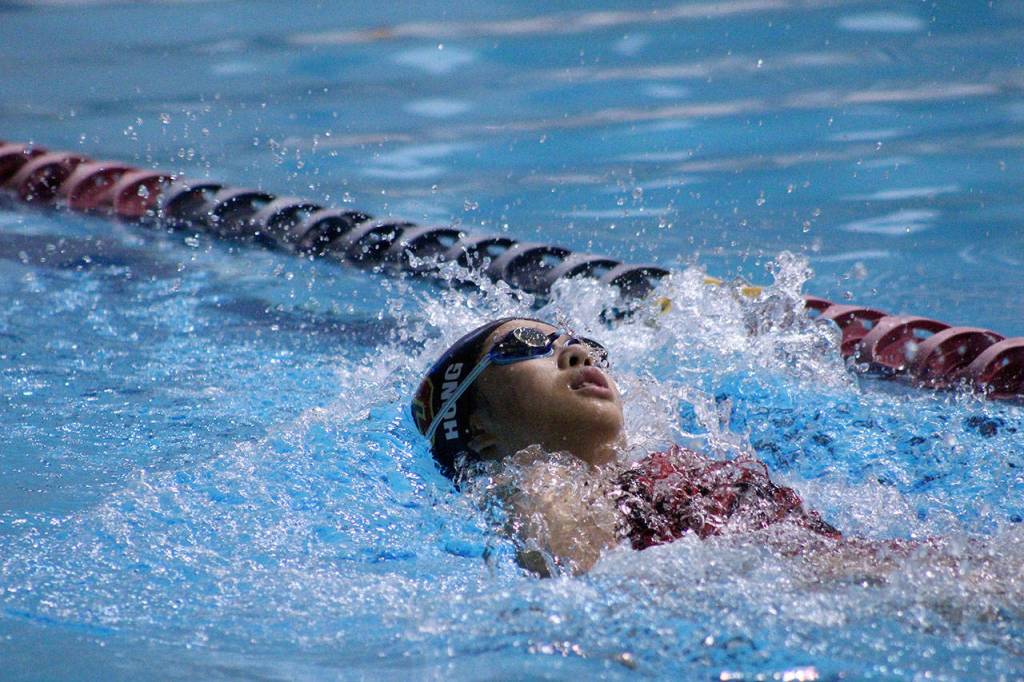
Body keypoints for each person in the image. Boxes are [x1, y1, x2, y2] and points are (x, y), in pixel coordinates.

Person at [409, 317, 877, 576]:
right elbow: (590, 584)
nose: (578, 354)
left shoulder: (642, 475)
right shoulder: (539, 486)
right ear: (478, 430)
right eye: (526, 343)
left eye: (582, 343)